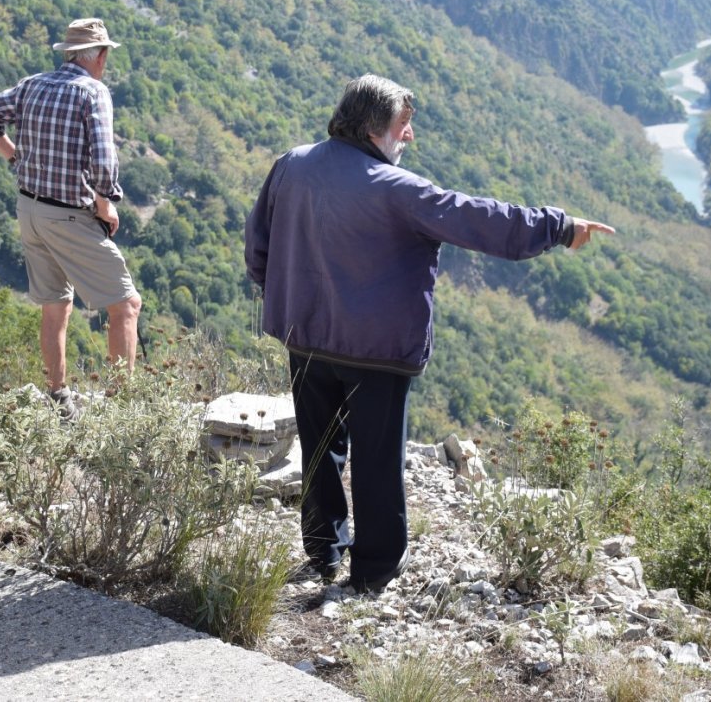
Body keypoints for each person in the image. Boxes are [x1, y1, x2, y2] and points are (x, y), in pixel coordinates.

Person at [244, 74, 613, 592]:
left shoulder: (292, 164)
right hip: (375, 352)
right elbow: (480, 219)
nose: (409, 136)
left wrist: (284, 297)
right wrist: (558, 226)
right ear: (376, 129)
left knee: (320, 446)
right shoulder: (397, 190)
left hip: (303, 335)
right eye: (403, 125)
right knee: (377, 461)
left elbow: (258, 243)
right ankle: (370, 575)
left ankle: (323, 550)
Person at [0, 17, 142, 416]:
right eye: (106, 55)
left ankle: (58, 397)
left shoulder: (32, 85)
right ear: (98, 56)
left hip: (29, 209)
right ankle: (122, 410)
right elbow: (102, 158)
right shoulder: (93, 93)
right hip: (68, 216)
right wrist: (106, 202)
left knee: (55, 304)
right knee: (125, 305)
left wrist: (13, 155)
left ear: (68, 54)